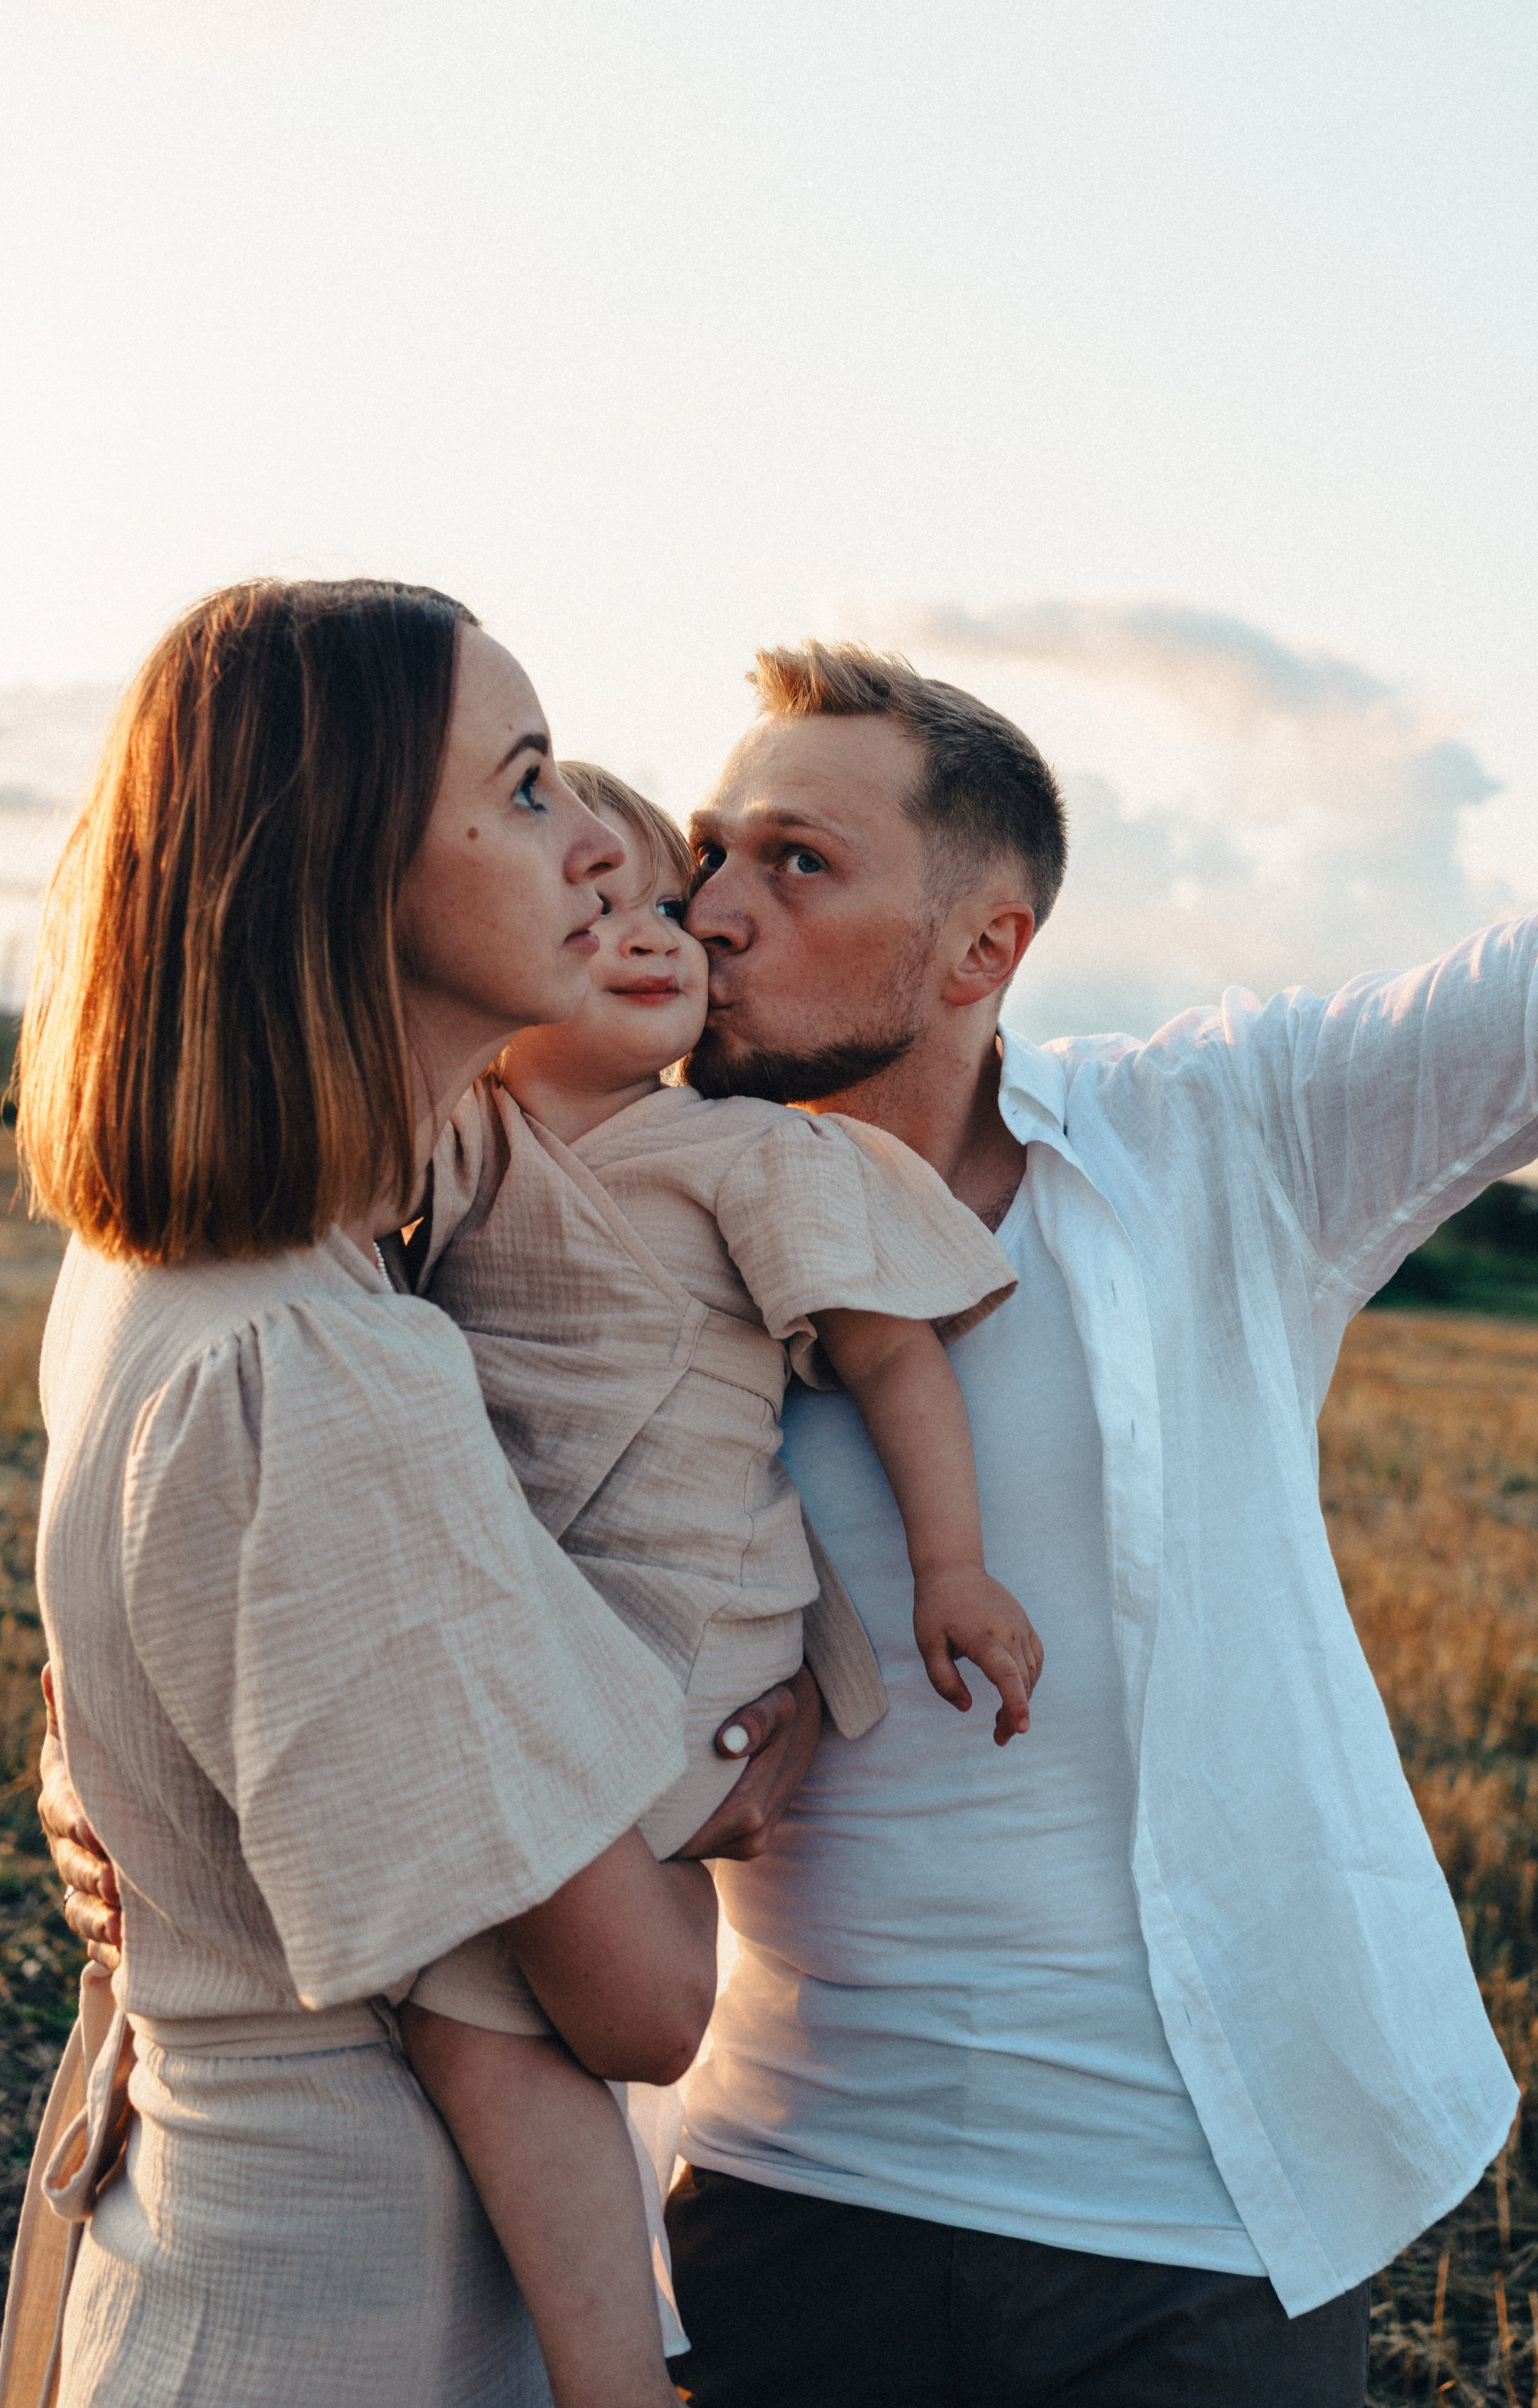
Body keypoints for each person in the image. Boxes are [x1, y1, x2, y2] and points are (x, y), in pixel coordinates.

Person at [47, 636, 1538, 2408]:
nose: (707, 907)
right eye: (707, 857)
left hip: (1189, 2225)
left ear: (981, 946)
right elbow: (275, 1478)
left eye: (798, 863)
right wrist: (118, 1761)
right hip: (770, 2187)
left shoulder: (1219, 1143)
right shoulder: (566, 1192)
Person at [3, 581, 725, 2408]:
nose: (603, 850)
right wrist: (749, 1780)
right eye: (531, 786)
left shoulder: (171, 1271)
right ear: (339, 873)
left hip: (212, 2265)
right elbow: (639, 2006)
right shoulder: (319, 1373)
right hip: (349, 2321)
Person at [397, 763, 1042, 2403]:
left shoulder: (746, 1156)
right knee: (490, 1976)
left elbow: (895, 1365)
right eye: (601, 907)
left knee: (490, 2003)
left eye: (667, 910)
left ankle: (617, 2372)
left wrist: (950, 1570)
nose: (656, 932)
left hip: (687, 1608)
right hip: (538, 1604)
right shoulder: (453, 1133)